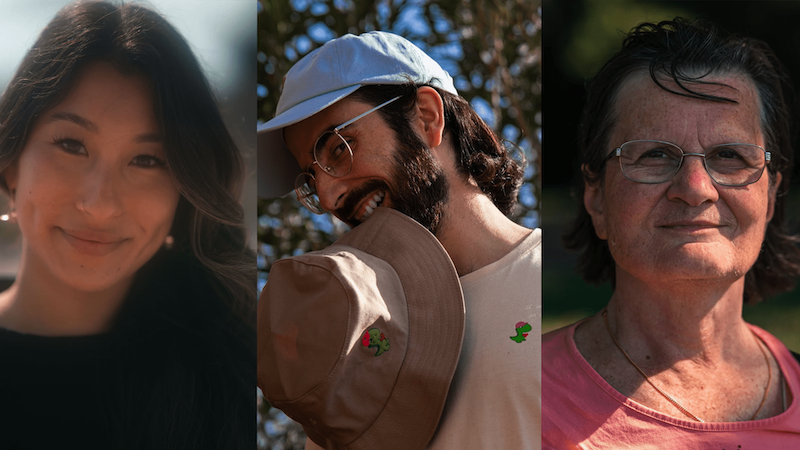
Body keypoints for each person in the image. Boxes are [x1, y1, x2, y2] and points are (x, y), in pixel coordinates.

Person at [258, 31, 541, 449]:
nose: (329, 196)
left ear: (426, 117)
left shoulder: (551, 293)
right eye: (310, 179)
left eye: (337, 148)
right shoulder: (354, 338)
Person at [0, 2, 255, 448]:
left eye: (146, 160)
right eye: (71, 145)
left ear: (184, 192)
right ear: (12, 161)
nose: (99, 205)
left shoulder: (237, 375)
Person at [542, 18, 800, 448]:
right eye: (656, 154)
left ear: (771, 196)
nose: (695, 189)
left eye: (730, 155)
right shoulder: (514, 395)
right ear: (597, 197)